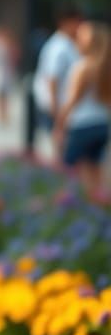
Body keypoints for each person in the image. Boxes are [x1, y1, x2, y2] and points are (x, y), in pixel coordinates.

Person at [52, 19, 111, 201]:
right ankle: (98, 207)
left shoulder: (83, 67)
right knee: (95, 173)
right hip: (101, 123)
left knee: (67, 170)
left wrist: (59, 124)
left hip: (82, 124)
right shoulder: (104, 67)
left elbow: (72, 101)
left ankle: (72, 208)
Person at [33, 6, 82, 141]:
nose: (79, 26)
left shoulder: (66, 44)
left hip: (61, 109)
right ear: (65, 22)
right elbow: (52, 80)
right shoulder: (59, 47)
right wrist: (57, 117)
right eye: (77, 22)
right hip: (56, 108)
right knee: (61, 150)